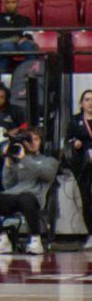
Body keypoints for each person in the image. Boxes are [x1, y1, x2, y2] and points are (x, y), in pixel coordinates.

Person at [0, 128, 57, 255]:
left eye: (36, 139)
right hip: (14, 196)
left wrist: (25, 159)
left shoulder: (49, 160)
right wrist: (8, 163)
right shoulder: (18, 159)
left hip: (33, 198)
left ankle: (35, 240)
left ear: (41, 143)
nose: (32, 142)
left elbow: (47, 175)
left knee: (26, 198)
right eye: (29, 139)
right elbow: (7, 184)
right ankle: (3, 239)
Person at [65, 90, 92, 250]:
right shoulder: (76, 121)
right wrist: (75, 142)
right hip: (83, 164)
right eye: (87, 99)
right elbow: (69, 138)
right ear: (82, 103)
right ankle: (91, 233)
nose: (90, 103)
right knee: (87, 200)